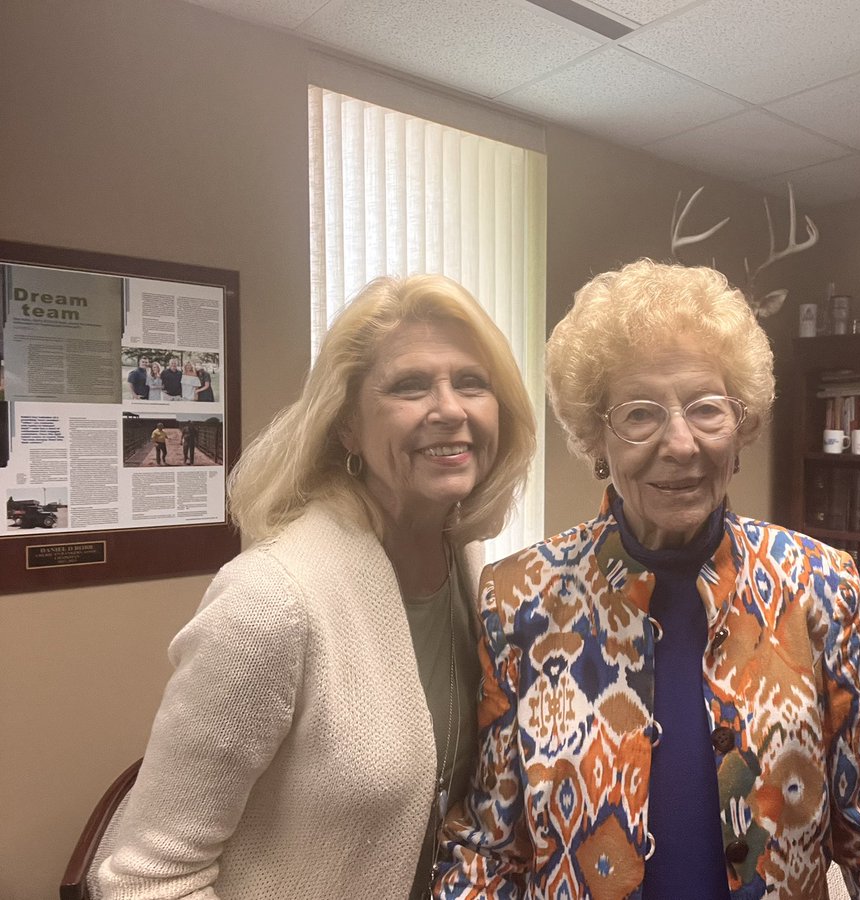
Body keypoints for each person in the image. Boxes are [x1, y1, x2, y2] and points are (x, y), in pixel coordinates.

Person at [438, 260, 860, 899]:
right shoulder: (520, 600)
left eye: (706, 409)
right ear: (597, 438)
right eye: (640, 415)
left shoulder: (820, 585)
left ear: (742, 428)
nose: (680, 444)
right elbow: (488, 849)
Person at [98, 275, 538, 900]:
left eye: (472, 382)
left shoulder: (466, 561)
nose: (450, 409)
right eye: (410, 386)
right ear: (346, 428)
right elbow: (143, 879)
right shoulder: (271, 599)